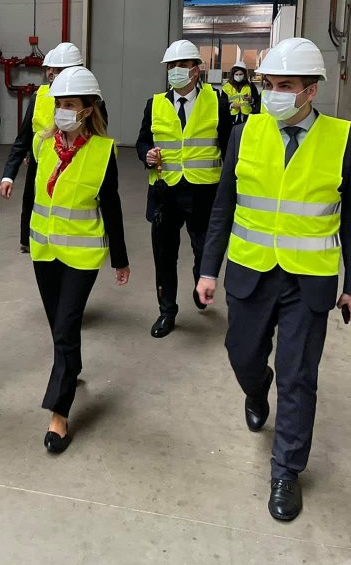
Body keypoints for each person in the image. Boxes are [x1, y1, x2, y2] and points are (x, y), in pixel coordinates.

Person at [196, 37, 351, 522]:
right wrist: (208, 269)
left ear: (311, 91)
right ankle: (257, 389)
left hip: (308, 281)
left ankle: (286, 471)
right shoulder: (245, 133)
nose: (273, 94)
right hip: (250, 272)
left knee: (298, 377)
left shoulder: (345, 141)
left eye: (285, 86)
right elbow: (223, 207)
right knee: (243, 355)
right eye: (269, 84)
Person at [29, 66, 129, 454]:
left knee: (66, 326)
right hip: (44, 250)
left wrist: (120, 258)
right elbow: (33, 196)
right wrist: (23, 237)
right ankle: (72, 370)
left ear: (87, 110)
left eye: (69, 105)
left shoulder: (103, 151)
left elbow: (112, 205)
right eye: (59, 103)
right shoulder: (43, 145)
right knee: (59, 325)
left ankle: (59, 412)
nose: (61, 111)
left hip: (82, 255)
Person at [135, 40, 232, 339]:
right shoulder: (155, 104)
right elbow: (142, 141)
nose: (176, 70)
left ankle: (200, 281)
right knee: (164, 256)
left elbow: (228, 146)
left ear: (196, 70)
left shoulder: (217, 101)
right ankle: (167, 311)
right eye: (171, 66)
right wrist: (147, 154)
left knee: (204, 251)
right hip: (165, 193)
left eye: (182, 65)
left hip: (204, 193)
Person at [0, 42, 85, 252]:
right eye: (50, 69)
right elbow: (24, 138)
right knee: (33, 202)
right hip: (40, 163)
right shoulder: (39, 96)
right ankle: (29, 241)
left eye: (59, 70)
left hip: (75, 163)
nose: (52, 74)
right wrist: (8, 175)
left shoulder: (89, 99)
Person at [221, 59, 261, 123]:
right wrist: (231, 105)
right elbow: (222, 102)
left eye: (240, 74)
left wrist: (251, 100)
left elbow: (257, 100)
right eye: (236, 74)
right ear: (233, 75)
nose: (238, 76)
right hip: (231, 117)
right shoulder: (227, 87)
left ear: (244, 75)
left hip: (247, 117)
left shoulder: (250, 85)